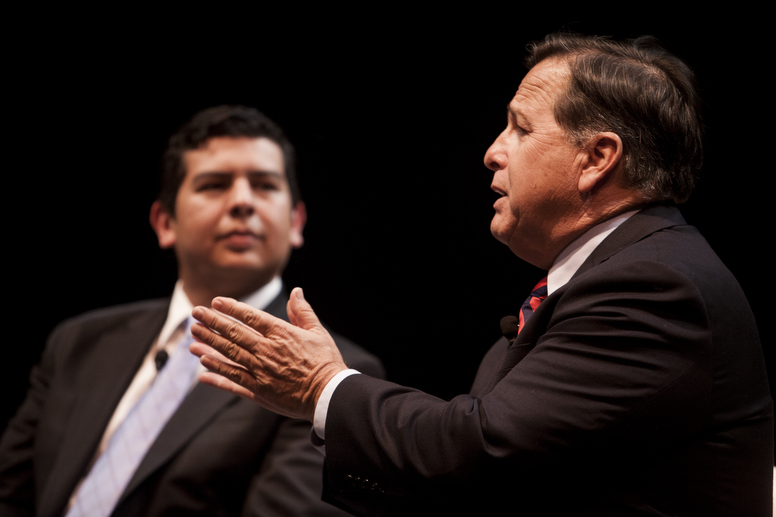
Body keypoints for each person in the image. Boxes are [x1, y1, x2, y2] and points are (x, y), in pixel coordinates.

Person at [186, 34, 773, 516]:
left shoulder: (654, 286)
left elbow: (481, 449)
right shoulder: (609, 278)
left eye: (521, 128)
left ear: (596, 158)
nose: (493, 151)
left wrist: (322, 387)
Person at [0, 105, 384, 517]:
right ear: (165, 222)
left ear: (296, 222)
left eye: (264, 185)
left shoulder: (328, 378)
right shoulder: (78, 342)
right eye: (214, 185)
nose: (242, 202)